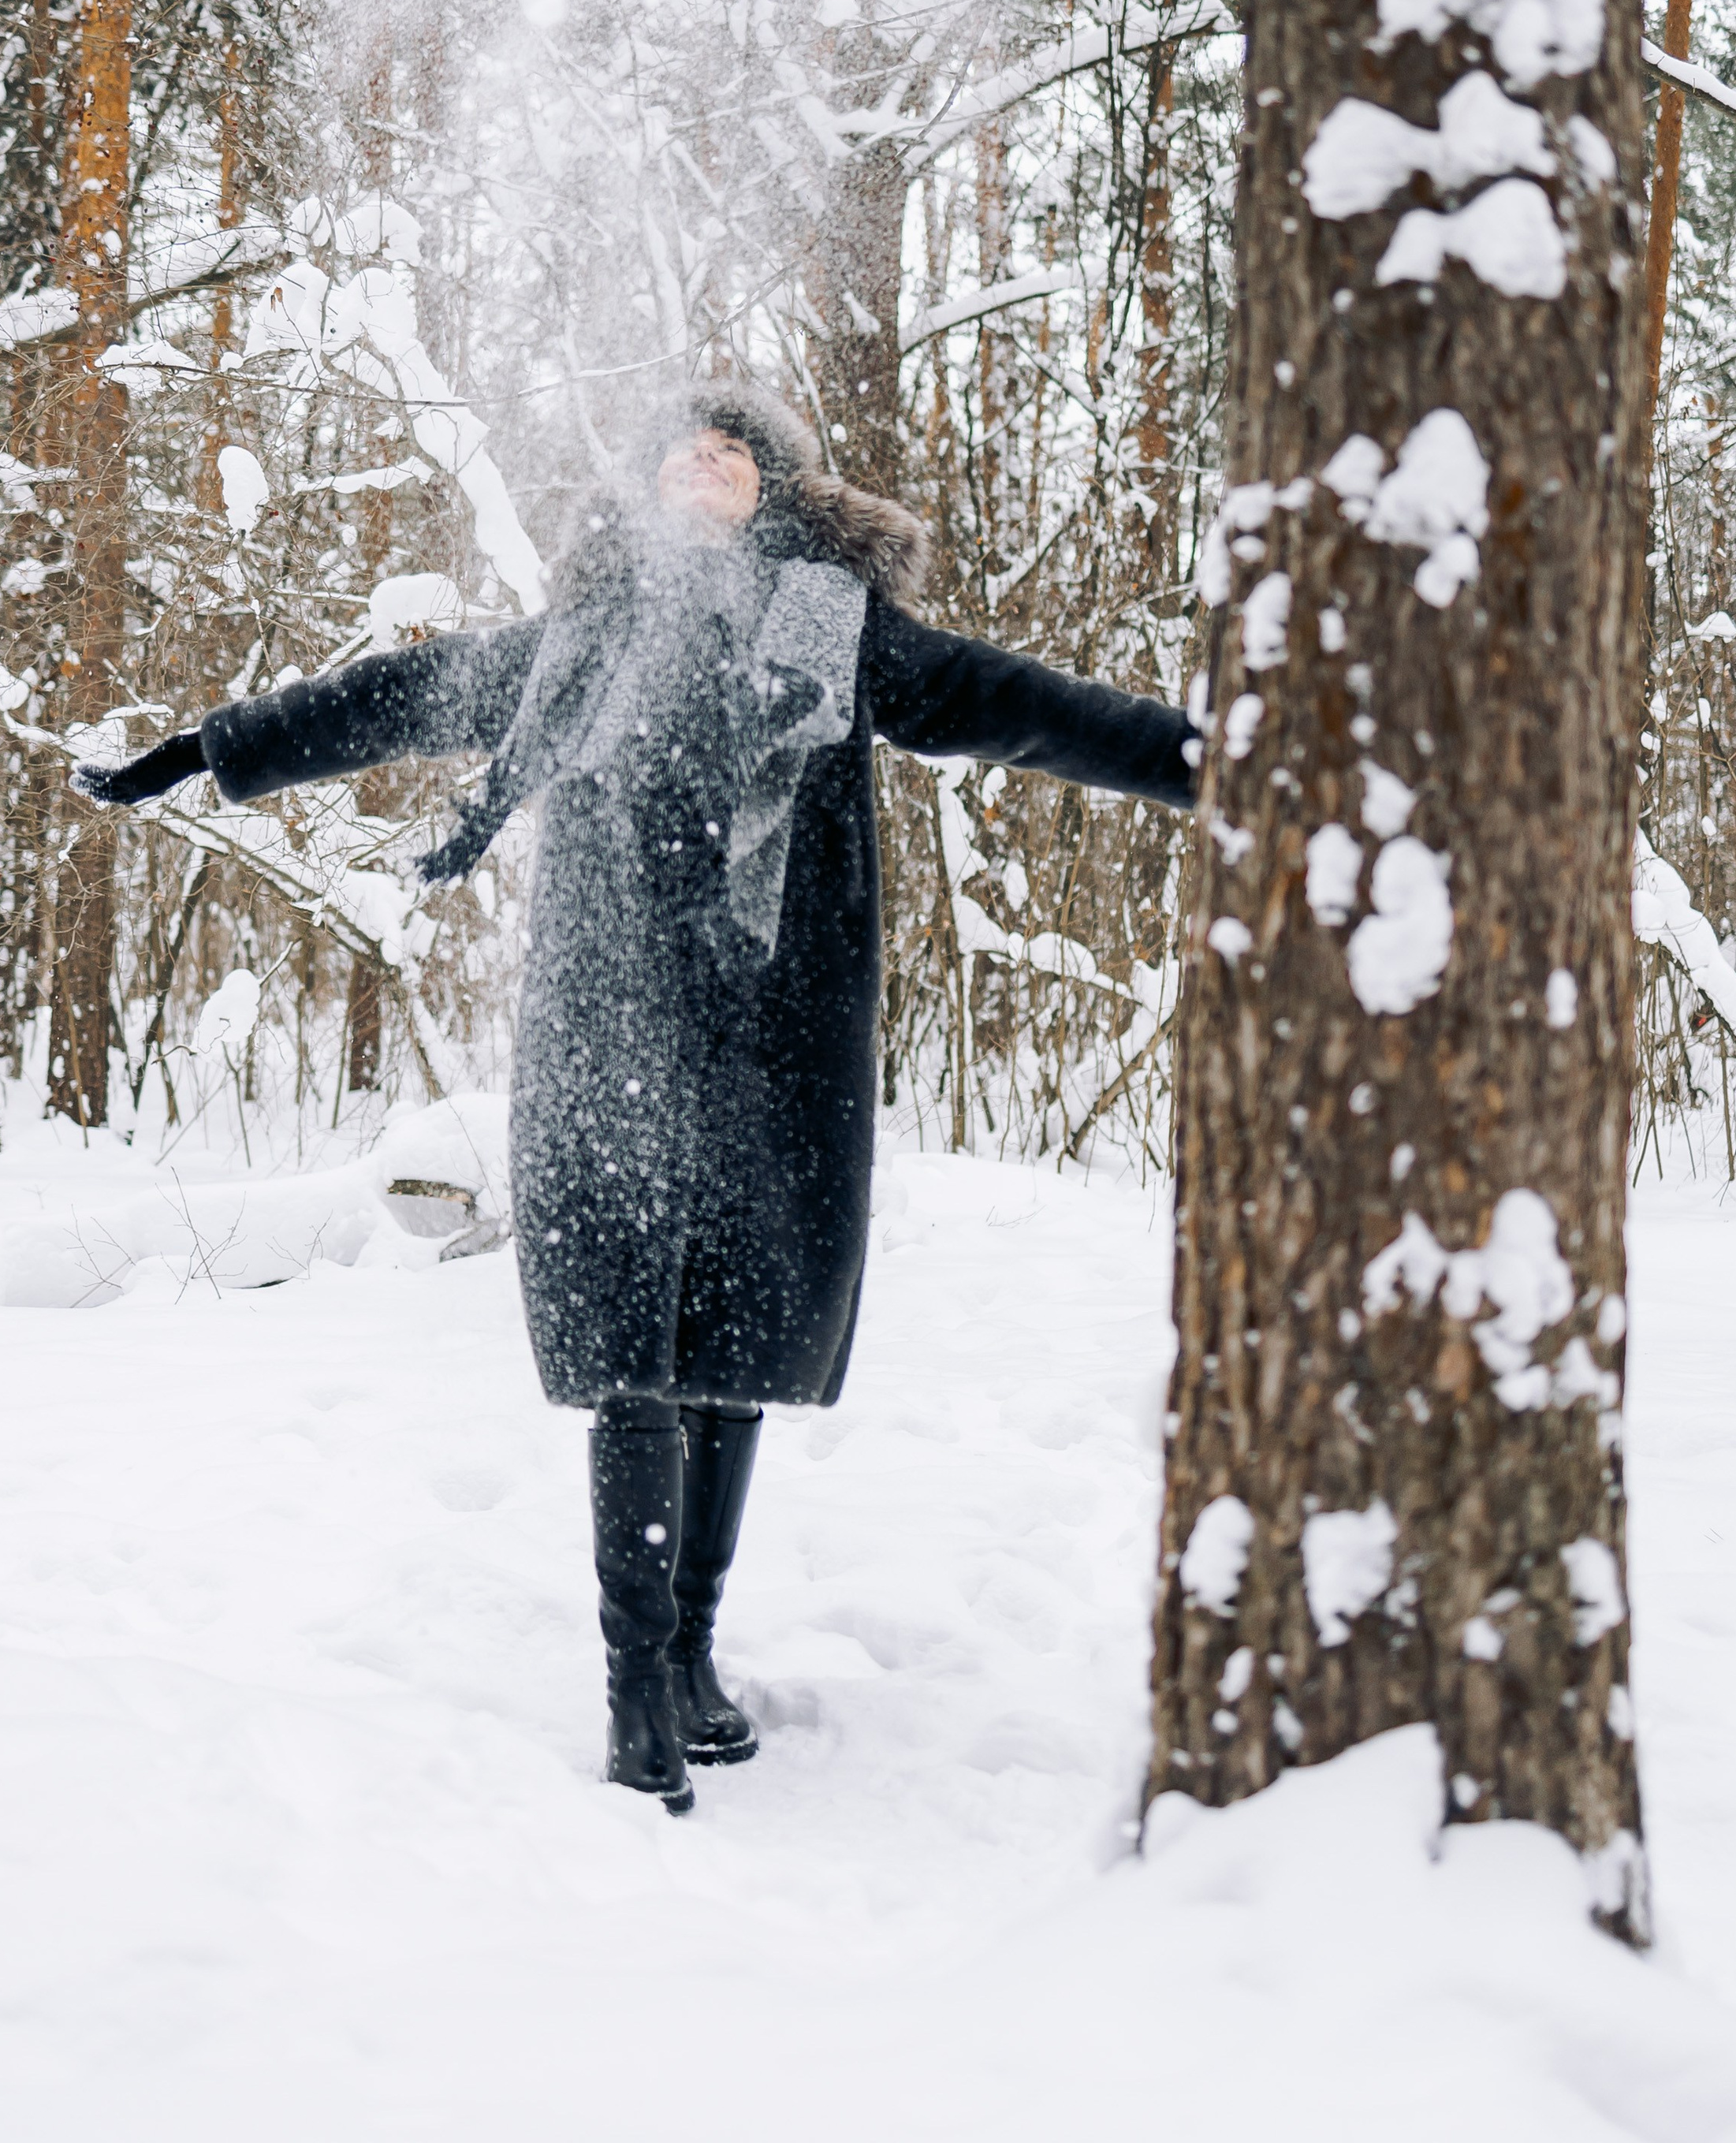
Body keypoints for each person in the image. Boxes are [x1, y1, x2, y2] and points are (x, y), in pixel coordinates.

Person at [78, 382, 1198, 1813]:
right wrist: (215, 747)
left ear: (783, 490)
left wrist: (1197, 759)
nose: (703, 456)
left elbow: (1025, 712)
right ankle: (634, 1686)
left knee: (733, 1345)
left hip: (775, 1030)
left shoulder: (840, 630)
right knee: (632, 1350)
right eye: (682, 444)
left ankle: (694, 1659)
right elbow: (389, 700)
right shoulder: (585, 638)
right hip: (612, 1025)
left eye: (733, 446)